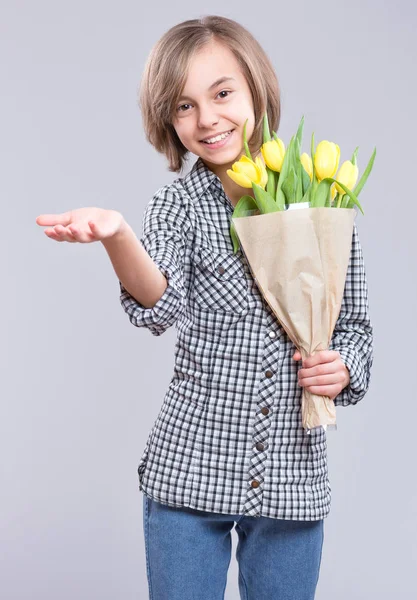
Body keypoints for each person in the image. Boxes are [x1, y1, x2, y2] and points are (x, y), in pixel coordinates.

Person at [35, 15, 373, 600]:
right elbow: (160, 301)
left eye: (222, 94)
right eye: (183, 106)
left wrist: (344, 367)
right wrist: (118, 236)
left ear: (256, 88)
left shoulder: (323, 204)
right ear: (168, 119)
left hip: (294, 482)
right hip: (188, 477)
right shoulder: (178, 206)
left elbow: (357, 328)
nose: (207, 119)